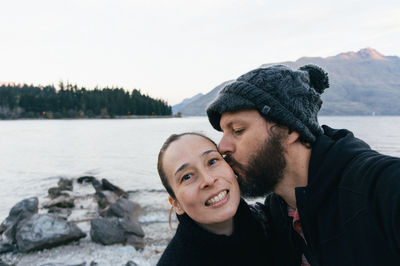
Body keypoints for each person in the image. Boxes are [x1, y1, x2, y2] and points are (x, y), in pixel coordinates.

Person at [206, 64, 400, 266]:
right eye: (223, 133)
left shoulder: (383, 188)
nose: (222, 147)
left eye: (237, 130)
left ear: (289, 129)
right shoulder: (276, 215)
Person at [156, 132, 272, 266]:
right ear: (176, 204)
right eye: (187, 176)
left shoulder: (273, 222)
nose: (208, 180)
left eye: (212, 161)